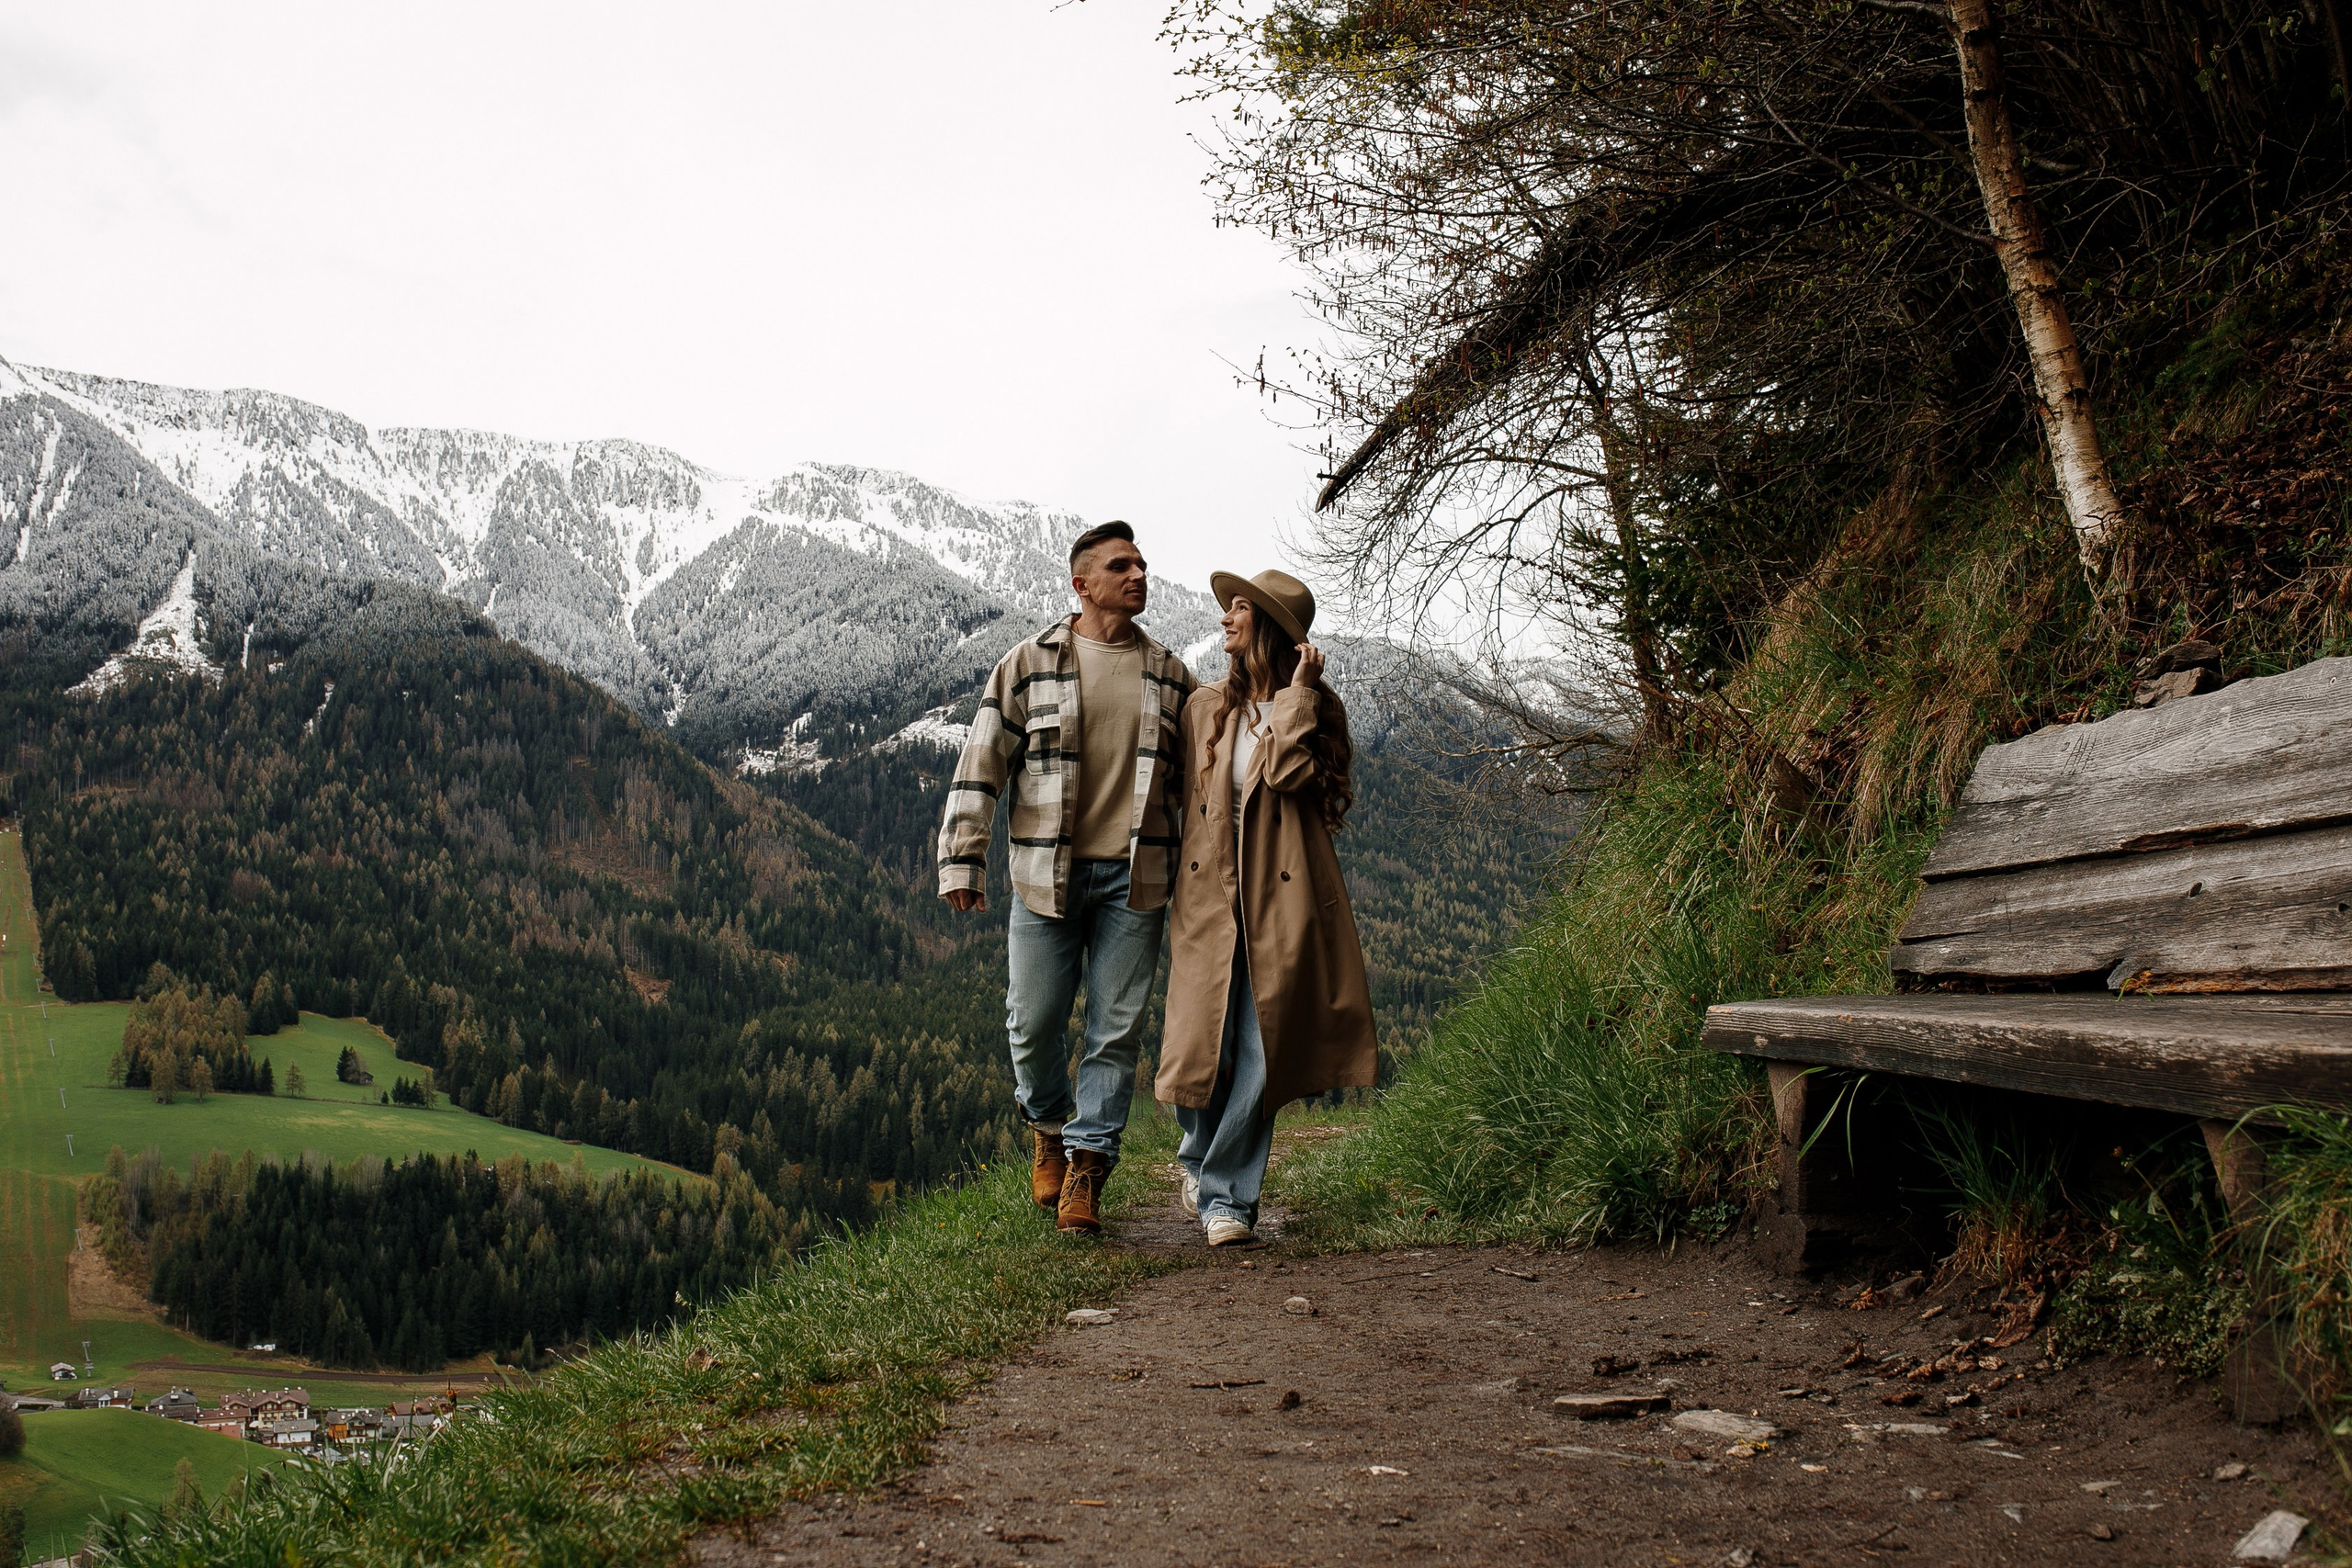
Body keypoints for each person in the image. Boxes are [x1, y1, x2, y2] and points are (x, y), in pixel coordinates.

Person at [937, 521, 1197, 1234]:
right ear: (1081, 584)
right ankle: (1047, 1127)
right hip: (1044, 874)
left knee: (1116, 1031)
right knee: (1034, 1020)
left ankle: (1087, 1167)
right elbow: (981, 762)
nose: (1138, 574)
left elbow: (1200, 782)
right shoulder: (1027, 664)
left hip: (1135, 879)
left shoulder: (1171, 675)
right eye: (1121, 566)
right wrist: (963, 856)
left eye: (1143, 564)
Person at [1157, 569, 1376, 1246]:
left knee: (1258, 1045)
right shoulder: (1202, 707)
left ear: (1273, 629)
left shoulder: (1311, 709)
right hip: (1208, 896)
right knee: (1202, 1046)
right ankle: (1198, 1156)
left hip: (1280, 901)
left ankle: (1228, 1196)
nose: (1226, 618)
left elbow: (1281, 771)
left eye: (1241, 610)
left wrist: (1298, 694)